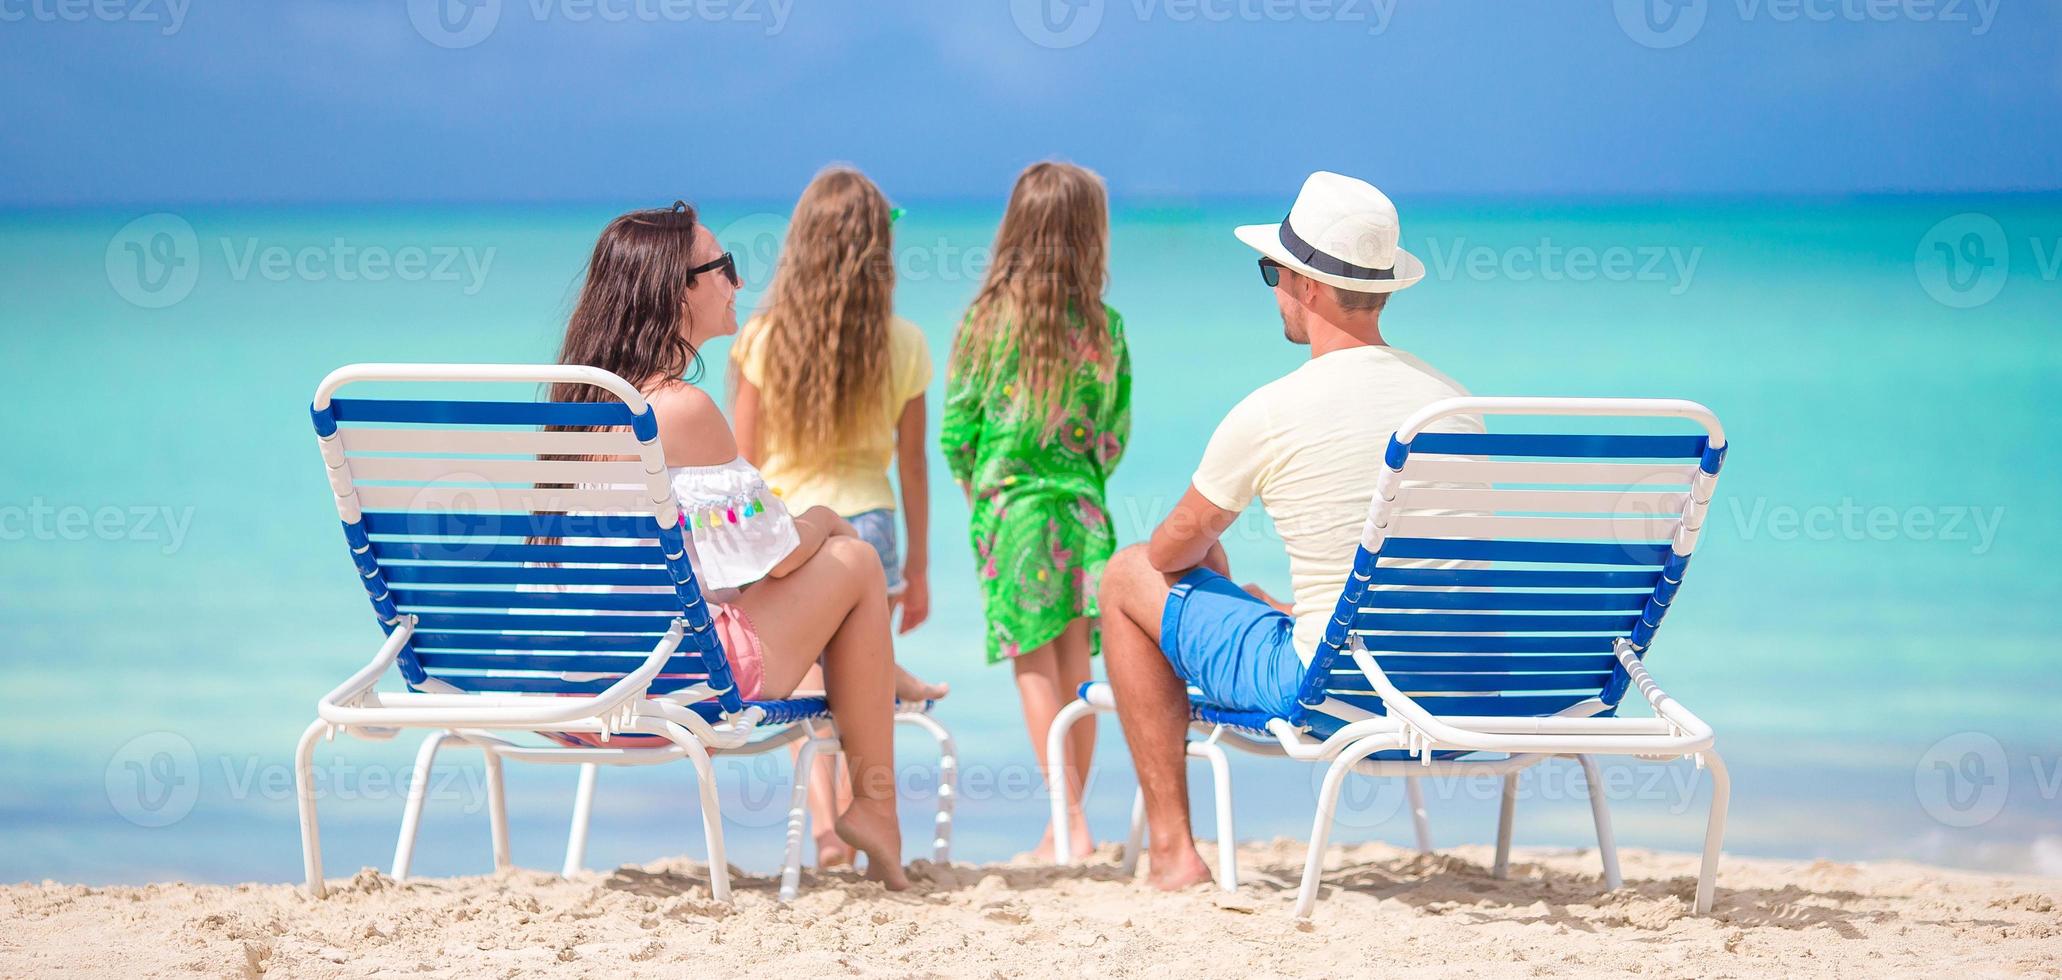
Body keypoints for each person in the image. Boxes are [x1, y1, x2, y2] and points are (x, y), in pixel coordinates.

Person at [1094, 172, 1481, 888]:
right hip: (1453, 691)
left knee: (1123, 575)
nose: (1273, 288)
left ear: (1306, 286)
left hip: (1330, 688)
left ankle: (1173, 853)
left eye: (1273, 271)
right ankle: (1291, 620)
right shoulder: (1452, 403)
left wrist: (1220, 580)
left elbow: (1168, 552)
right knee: (1256, 594)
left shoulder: (1273, 411)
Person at [551, 201, 945, 889]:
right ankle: (876, 803)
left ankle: (881, 733)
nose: (738, 282)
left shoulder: (578, 409)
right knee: (850, 562)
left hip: (574, 686)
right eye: (723, 268)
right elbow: (786, 556)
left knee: (817, 563)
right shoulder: (679, 411)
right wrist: (827, 518)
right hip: (674, 686)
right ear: (681, 290)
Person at [730, 166, 940, 869]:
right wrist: (918, 564)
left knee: (805, 678)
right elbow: (913, 465)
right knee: (860, 680)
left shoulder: (761, 340)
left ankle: (825, 830)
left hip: (787, 528)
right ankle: (864, 813)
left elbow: (743, 465)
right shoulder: (904, 342)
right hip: (870, 527)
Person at [941, 161, 1129, 860]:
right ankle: (1067, 822)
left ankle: (1068, 823)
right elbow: (1112, 435)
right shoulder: (1105, 327)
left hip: (1010, 510)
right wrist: (1078, 477)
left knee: (1032, 665)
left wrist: (981, 500)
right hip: (1082, 514)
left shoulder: (986, 322)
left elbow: (957, 434)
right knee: (1079, 668)